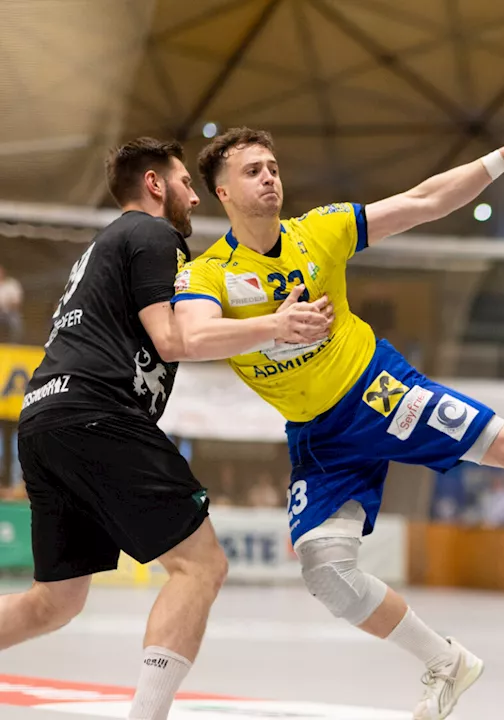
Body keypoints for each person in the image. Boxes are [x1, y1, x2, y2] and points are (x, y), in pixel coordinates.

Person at [173, 126, 504, 720]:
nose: (269, 177)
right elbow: (191, 337)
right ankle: (447, 661)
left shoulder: (318, 231)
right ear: (221, 192)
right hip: (316, 436)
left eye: (272, 166)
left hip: (378, 391)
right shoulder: (208, 273)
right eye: (252, 171)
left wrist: (503, 157)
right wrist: (274, 326)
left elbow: (423, 201)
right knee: (324, 570)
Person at [0, 138, 332, 720]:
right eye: (184, 181)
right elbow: (175, 340)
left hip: (45, 419)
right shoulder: (154, 236)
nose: (194, 196)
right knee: (201, 565)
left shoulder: (105, 245)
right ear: (155, 185)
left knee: (55, 600)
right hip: (98, 412)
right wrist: (276, 325)